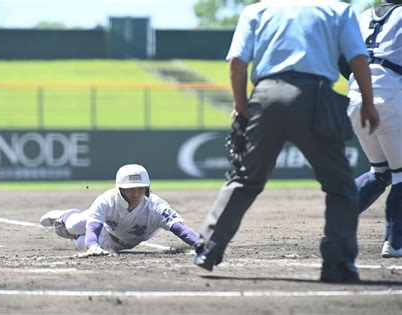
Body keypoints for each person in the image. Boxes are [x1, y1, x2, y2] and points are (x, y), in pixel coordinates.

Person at [194, 0, 380, 283]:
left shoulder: (257, 10)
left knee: (245, 179)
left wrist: (241, 105)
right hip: (314, 97)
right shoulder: (337, 9)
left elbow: (237, 63)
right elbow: (358, 58)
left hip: (266, 96)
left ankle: (208, 248)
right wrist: (368, 102)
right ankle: (337, 264)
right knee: (340, 186)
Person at [40, 164, 200, 256]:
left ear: (147, 188)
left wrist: (200, 244)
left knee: (80, 244)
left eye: (140, 188)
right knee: (72, 227)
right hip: (103, 228)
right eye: (130, 189)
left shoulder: (156, 206)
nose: (136, 193)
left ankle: (83, 238)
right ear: (120, 189)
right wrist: (93, 246)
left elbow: (180, 228)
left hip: (118, 242)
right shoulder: (106, 200)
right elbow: (93, 227)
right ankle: (66, 215)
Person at [347, 0, 402, 258]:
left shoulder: (364, 15)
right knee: (401, 175)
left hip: (358, 96)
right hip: (391, 97)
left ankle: (336, 222)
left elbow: (343, 57)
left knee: (380, 172)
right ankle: (395, 242)